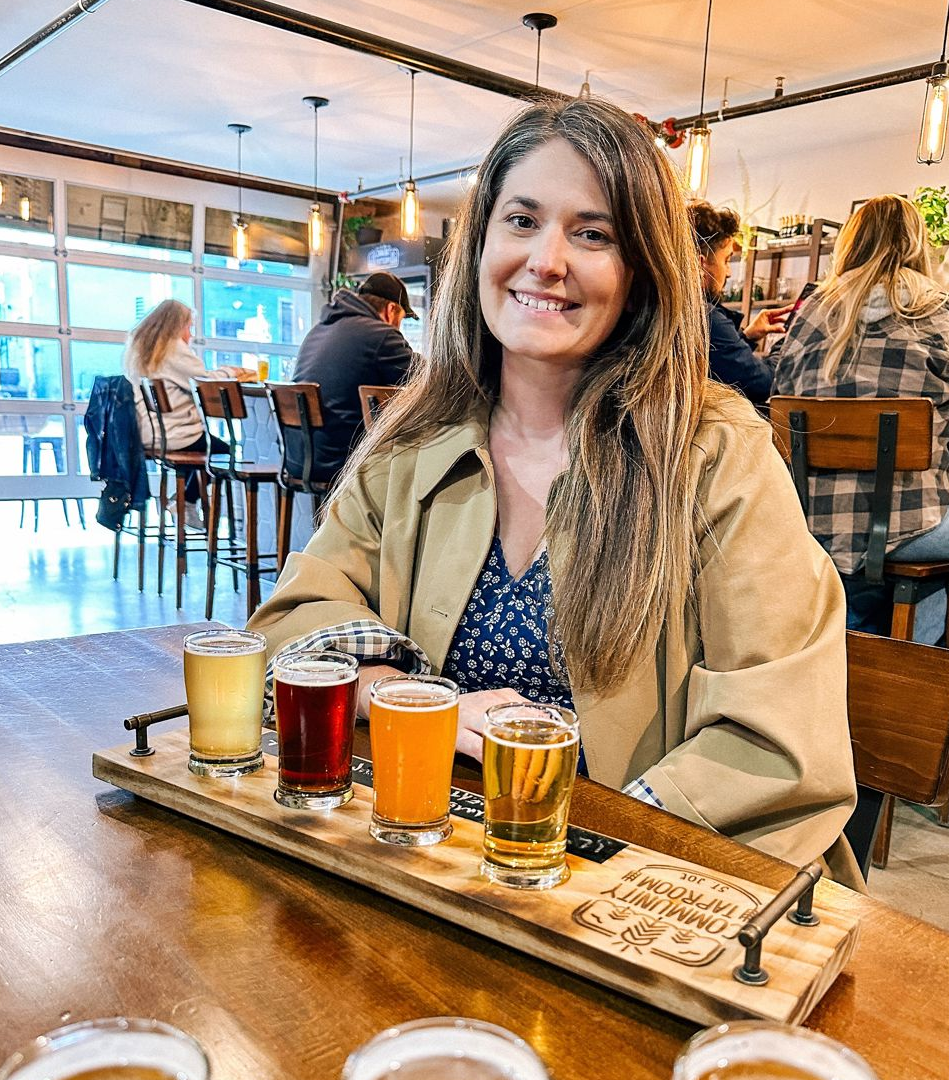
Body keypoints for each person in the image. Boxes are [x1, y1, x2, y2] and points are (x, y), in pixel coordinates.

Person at [248, 98, 861, 886]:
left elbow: (777, 744)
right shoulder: (413, 439)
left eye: (593, 233)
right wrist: (414, 698)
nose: (547, 260)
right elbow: (288, 627)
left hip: (650, 894)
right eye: (523, 220)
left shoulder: (714, 451)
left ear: (641, 271)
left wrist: (584, 858)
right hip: (440, 866)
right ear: (480, 245)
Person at [772, 194, 949, 642]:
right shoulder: (943, 309)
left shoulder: (812, 313)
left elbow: (781, 389)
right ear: (918, 243)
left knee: (851, 592)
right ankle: (910, 670)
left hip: (808, 524)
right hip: (909, 527)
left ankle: (849, 652)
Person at [123, 299, 250, 530]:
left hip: (152, 432)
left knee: (206, 450)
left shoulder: (142, 347)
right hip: (177, 433)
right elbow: (205, 382)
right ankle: (187, 501)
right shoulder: (172, 349)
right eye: (188, 326)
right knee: (222, 452)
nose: (189, 333)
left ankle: (184, 501)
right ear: (176, 325)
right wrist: (233, 371)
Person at [288, 272, 416, 485]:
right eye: (402, 318)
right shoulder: (380, 334)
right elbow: (426, 380)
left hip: (298, 459)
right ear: (391, 309)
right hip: (341, 461)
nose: (399, 327)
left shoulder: (318, 330)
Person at [686, 201, 791, 406]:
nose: (729, 272)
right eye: (726, 260)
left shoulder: (659, 308)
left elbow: (719, 365)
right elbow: (762, 384)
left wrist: (747, 337)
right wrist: (786, 346)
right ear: (700, 263)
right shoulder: (705, 318)